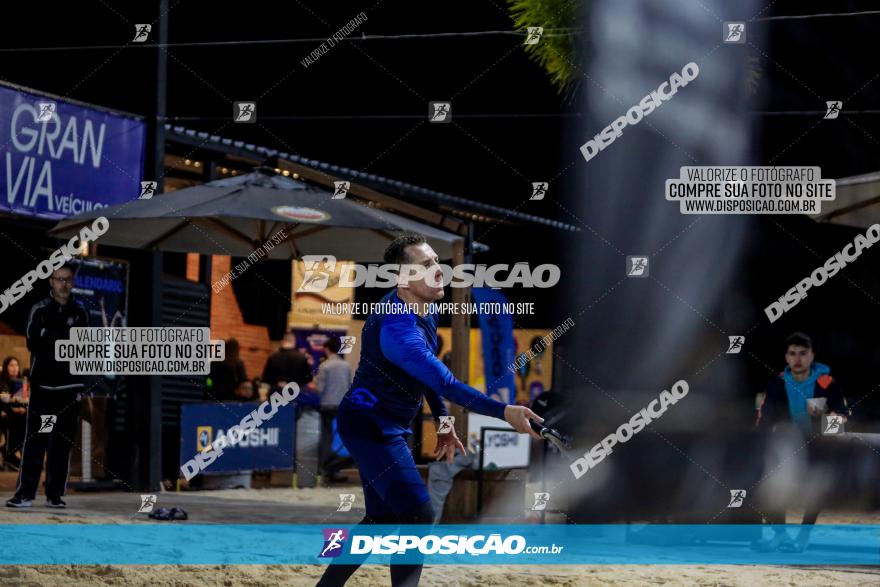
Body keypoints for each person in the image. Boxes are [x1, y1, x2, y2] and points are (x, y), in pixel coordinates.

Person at [316, 233, 543, 587]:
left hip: (385, 424)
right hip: (369, 425)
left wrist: (442, 419)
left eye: (437, 261)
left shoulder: (426, 308)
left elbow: (429, 379)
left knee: (381, 518)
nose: (439, 270)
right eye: (426, 265)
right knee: (418, 513)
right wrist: (504, 412)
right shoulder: (397, 327)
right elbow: (448, 383)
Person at [751, 332, 849, 553]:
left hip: (818, 444)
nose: (798, 359)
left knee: (817, 490)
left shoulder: (826, 382)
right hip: (787, 444)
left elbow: (842, 415)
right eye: (793, 354)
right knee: (766, 484)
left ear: (812, 356)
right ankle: (780, 535)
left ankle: (803, 536)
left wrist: (826, 424)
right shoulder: (777, 382)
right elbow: (765, 418)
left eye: (803, 354)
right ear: (786, 357)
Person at [7, 263, 89, 508]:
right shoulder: (39, 310)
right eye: (58, 279)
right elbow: (33, 340)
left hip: (69, 388)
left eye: (67, 280)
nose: (63, 284)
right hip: (43, 388)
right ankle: (25, 495)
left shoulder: (81, 311)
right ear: (51, 282)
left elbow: (81, 346)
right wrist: (63, 336)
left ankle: (55, 495)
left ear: (72, 283)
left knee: (61, 445)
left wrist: (50, 335)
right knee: (35, 442)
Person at [314, 337, 352, 483]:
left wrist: (313, 384)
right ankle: (335, 470)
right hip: (342, 406)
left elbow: (320, 389)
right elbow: (349, 386)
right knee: (338, 439)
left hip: (327, 406)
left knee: (326, 437)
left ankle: (323, 468)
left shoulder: (325, 366)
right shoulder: (346, 366)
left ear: (327, 349)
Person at [0, 357, 27, 466]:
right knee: (12, 419)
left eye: (16, 365)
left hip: (18, 413)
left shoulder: (22, 382)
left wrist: (22, 408)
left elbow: (24, 399)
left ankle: (14, 453)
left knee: (26, 418)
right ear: (6, 367)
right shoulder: (1, 381)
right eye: (11, 365)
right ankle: (12, 453)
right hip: (4, 411)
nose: (14, 368)